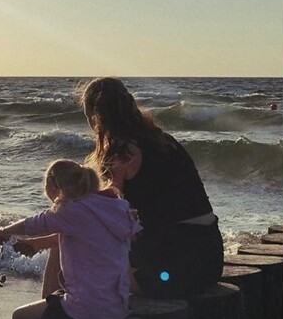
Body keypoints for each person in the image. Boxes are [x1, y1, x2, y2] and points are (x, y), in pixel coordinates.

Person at [79, 76, 224, 298]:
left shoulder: (122, 152)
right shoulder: (163, 140)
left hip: (177, 270)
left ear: (95, 117)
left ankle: (57, 307)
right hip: (210, 260)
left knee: (74, 236)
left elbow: (108, 215)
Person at [0, 159, 141, 319]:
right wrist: (38, 244)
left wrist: (4, 231)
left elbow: (34, 223)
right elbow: (83, 235)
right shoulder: (111, 207)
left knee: (20, 318)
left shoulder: (71, 209)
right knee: (54, 299)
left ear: (53, 185)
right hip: (117, 306)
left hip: (89, 313)